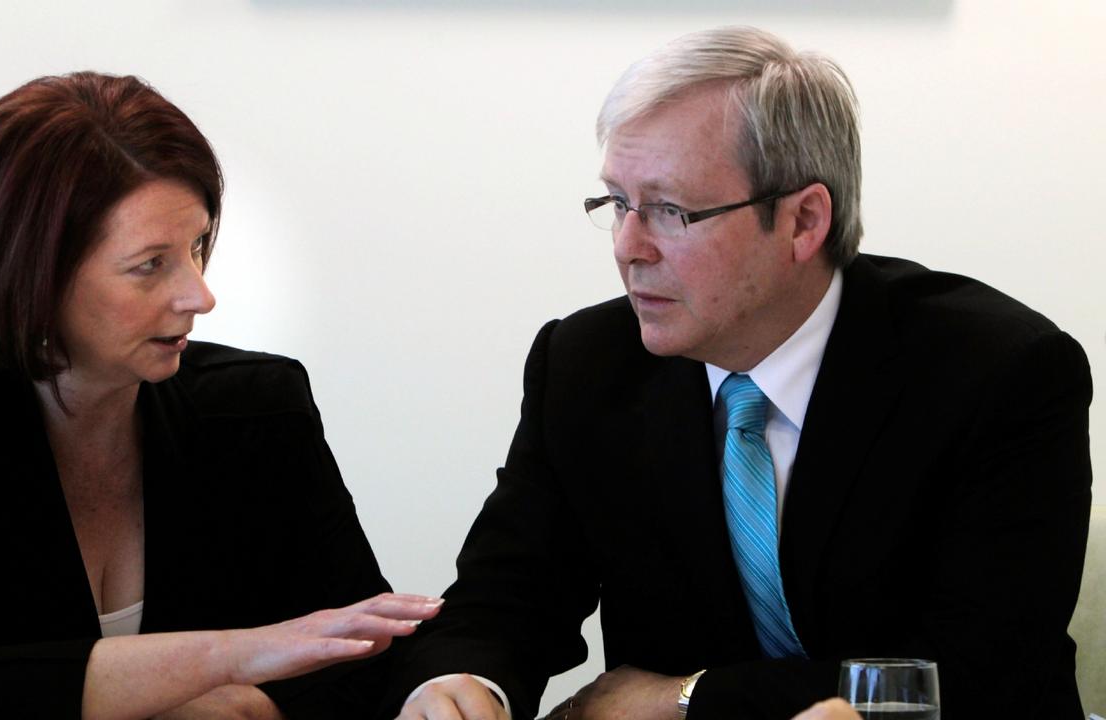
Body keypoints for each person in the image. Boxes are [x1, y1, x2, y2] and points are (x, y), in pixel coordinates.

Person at [387, 26, 1092, 720]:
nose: (629, 248)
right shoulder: (587, 363)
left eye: (670, 210)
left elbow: (972, 673)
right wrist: (463, 682)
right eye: (617, 203)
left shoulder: (998, 373)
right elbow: (507, 594)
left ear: (802, 222)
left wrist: (685, 699)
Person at [0, 71, 442, 720]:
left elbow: (361, 654)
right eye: (150, 265)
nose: (200, 296)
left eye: (196, 248)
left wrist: (248, 707)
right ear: (33, 273)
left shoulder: (260, 408)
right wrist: (230, 658)